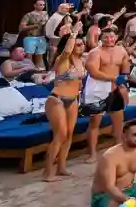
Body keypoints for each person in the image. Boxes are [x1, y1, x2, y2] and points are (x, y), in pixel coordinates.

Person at [83, 26, 131, 161]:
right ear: (101, 39)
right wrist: (113, 78)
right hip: (97, 88)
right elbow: (93, 72)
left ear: (116, 37)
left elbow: (125, 68)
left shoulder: (121, 51)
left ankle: (118, 149)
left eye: (111, 37)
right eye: (106, 37)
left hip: (115, 88)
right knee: (94, 122)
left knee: (118, 121)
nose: (109, 39)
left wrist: (123, 82)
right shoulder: (95, 52)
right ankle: (92, 153)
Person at [44, 26, 85, 182]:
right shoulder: (63, 59)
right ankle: (48, 172)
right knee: (60, 135)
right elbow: (67, 50)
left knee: (68, 135)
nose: (80, 46)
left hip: (73, 99)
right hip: (57, 99)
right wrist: (73, 33)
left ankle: (61, 167)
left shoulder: (81, 61)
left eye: (82, 44)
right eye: (77, 44)